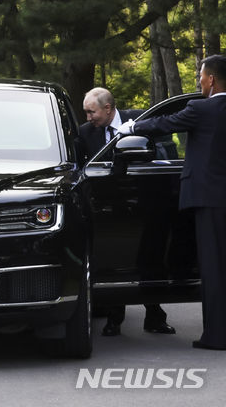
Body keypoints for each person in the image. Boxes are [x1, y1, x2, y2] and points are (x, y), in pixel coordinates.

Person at [118, 54, 226, 350]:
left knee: (214, 269)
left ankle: (217, 337)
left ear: (212, 79)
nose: (199, 81)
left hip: (210, 199)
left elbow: (166, 123)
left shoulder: (202, 109)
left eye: (201, 76)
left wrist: (132, 128)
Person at [79, 87, 176, 337]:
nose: (89, 117)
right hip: (109, 204)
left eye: (92, 112)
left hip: (148, 200)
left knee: (150, 256)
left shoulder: (141, 120)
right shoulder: (85, 133)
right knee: (113, 256)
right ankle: (114, 319)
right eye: (86, 112)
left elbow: (166, 152)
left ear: (108, 108)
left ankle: (154, 315)